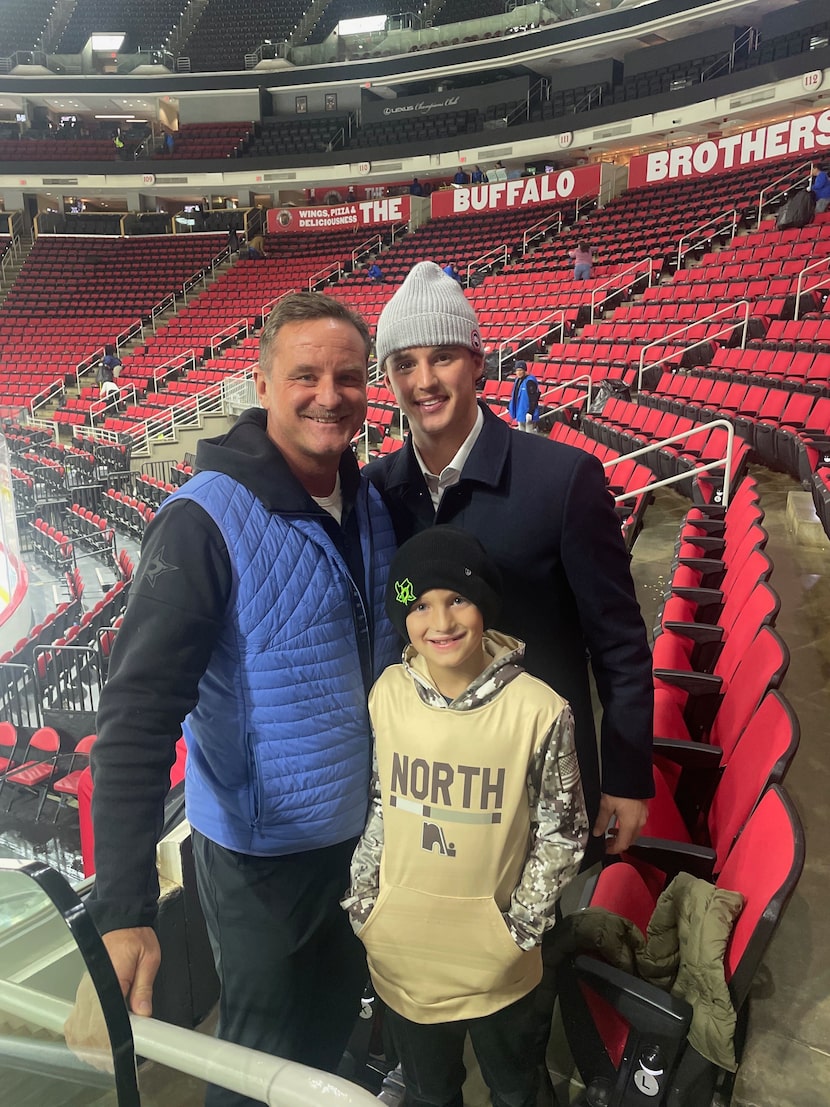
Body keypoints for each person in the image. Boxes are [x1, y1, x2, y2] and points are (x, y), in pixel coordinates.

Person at [73, 292, 400, 1106]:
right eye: (305, 375)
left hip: (358, 839)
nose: (329, 395)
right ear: (261, 385)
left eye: (349, 377)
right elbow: (135, 717)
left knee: (326, 1043)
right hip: (261, 864)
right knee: (256, 1068)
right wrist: (122, 908)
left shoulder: (366, 500)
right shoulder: (200, 521)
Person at [344, 526, 588, 1107]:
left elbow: (562, 831)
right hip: (405, 956)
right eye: (421, 606)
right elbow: (381, 804)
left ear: (485, 604)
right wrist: (366, 901)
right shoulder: (387, 694)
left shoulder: (539, 710)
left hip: (499, 963)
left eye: (457, 599)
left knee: (517, 1091)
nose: (442, 622)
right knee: (430, 1094)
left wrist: (518, 930)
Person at [508, 359, 540, 431]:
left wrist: (530, 412)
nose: (518, 372)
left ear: (524, 371)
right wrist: (509, 406)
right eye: (517, 370)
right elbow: (515, 395)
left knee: (529, 433)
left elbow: (534, 398)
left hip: (527, 411)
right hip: (520, 411)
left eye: (520, 370)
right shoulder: (518, 380)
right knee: (521, 431)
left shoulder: (530, 381)